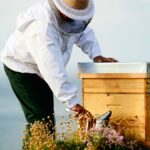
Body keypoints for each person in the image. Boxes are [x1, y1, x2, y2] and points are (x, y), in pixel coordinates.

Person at [1, 0, 117, 134]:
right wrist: (74, 104)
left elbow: (83, 33)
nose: (74, 19)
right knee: (41, 121)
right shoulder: (42, 27)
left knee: (46, 118)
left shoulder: (73, 15)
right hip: (22, 67)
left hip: (43, 68)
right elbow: (52, 68)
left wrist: (96, 55)